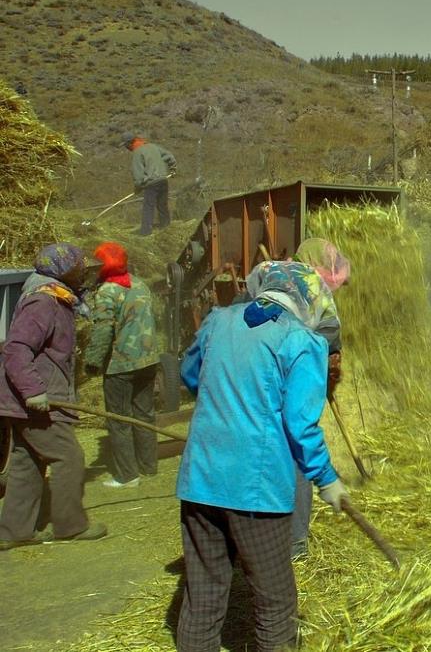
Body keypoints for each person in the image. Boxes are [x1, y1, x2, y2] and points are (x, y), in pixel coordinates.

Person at [176, 260, 348, 651]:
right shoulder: (304, 342)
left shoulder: (218, 321)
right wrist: (327, 479)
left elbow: (191, 376)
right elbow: (300, 426)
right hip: (257, 492)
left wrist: (227, 400)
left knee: (202, 596)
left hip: (200, 481)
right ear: (309, 299)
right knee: (275, 602)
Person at [0, 243, 107, 549]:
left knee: (27, 461)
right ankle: (70, 526)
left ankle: (13, 531)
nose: (83, 269)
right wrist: (34, 391)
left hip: (24, 399)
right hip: (34, 400)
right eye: (78, 264)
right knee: (69, 456)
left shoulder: (57, 298)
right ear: (62, 270)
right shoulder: (42, 303)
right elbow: (17, 349)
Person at [290, 238, 350, 559]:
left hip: (264, 383)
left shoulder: (275, 281)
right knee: (299, 455)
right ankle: (296, 544)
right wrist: (330, 378)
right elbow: (331, 353)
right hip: (298, 383)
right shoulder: (320, 293)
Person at [84, 242, 160, 488]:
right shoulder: (139, 284)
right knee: (145, 415)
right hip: (148, 359)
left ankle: (127, 476)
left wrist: (93, 362)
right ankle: (148, 466)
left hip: (122, 364)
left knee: (119, 420)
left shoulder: (107, 291)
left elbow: (103, 331)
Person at [120, 131, 177, 236]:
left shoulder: (137, 152)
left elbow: (138, 174)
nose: (125, 148)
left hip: (151, 184)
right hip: (163, 180)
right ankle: (166, 226)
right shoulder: (153, 146)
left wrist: (138, 187)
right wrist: (173, 168)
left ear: (129, 143)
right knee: (162, 205)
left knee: (148, 207)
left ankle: (145, 232)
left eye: (125, 145)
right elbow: (169, 156)